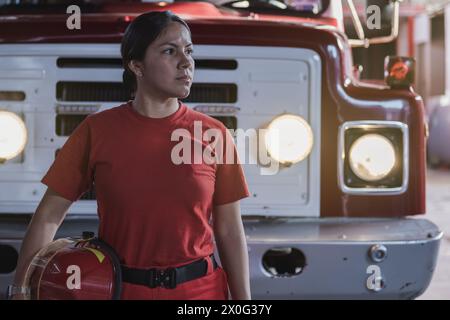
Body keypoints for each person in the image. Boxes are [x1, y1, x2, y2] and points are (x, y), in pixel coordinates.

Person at [11, 11, 251, 300]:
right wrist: (21, 289)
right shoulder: (96, 130)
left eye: (189, 51)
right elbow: (48, 217)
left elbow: (229, 230)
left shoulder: (215, 133)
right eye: (169, 51)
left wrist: (243, 302)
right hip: (121, 291)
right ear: (137, 65)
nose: (186, 62)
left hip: (201, 293)